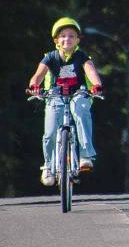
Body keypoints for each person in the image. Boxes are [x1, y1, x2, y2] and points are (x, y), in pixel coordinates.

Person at [27, 17, 104, 186]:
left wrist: (96, 85)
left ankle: (85, 155)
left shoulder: (82, 57)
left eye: (71, 36)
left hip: (79, 94)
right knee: (50, 131)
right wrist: (34, 86)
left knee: (81, 112)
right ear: (56, 40)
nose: (66, 39)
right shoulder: (50, 57)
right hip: (54, 95)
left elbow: (90, 72)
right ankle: (48, 166)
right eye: (62, 36)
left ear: (77, 40)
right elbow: (38, 75)